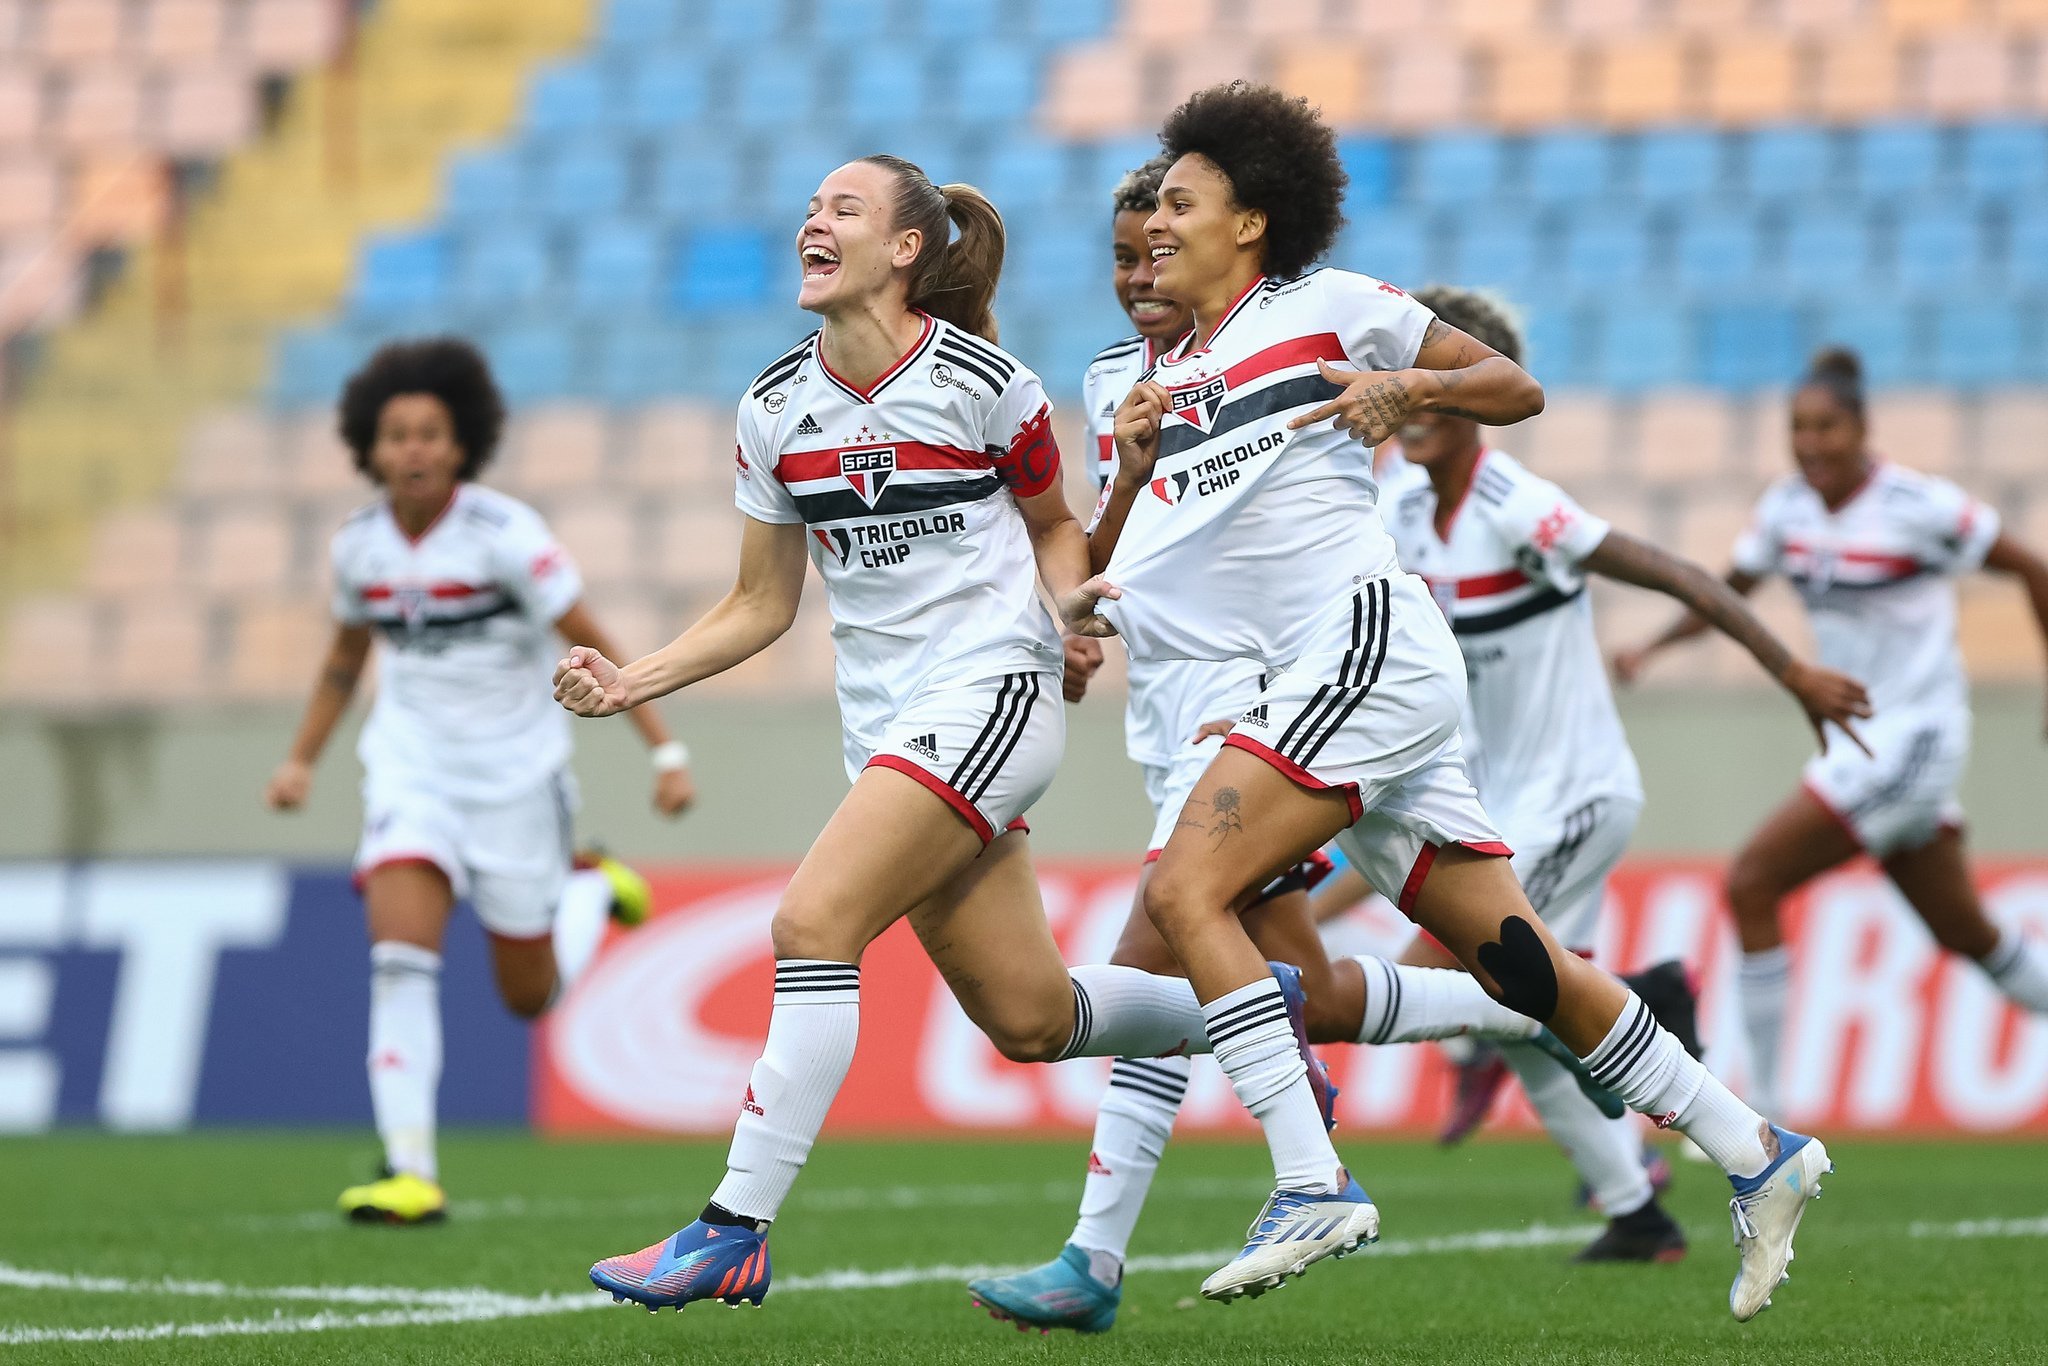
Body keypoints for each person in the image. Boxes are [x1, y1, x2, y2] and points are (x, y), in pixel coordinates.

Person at [1072, 82, 1853, 1320]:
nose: (1155, 224)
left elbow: (1510, 384)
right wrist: (1121, 469)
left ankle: (1309, 1179)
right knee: (1518, 966)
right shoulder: (1146, 377)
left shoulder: (1328, 307)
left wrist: (1412, 391)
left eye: (1180, 202)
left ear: (1252, 223)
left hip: (1357, 654)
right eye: (1152, 205)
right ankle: (1757, 1149)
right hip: (1333, 686)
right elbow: (1111, 563)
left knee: (1183, 890)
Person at [555, 155, 1297, 1315]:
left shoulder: (985, 384)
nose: (812, 222)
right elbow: (761, 603)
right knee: (1031, 1018)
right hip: (889, 730)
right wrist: (629, 680)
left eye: (840, 210)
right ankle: (1264, 1006)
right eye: (807, 210)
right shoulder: (770, 409)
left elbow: (1057, 528)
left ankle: (731, 1226)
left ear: (905, 249)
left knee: (810, 921)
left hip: (993, 696)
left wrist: (1064, 613)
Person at [968, 162, 1624, 1337]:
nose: (1139, 275)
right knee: (1264, 974)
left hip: (1267, 712)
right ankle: (1522, 1014)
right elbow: (1110, 552)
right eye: (1121, 259)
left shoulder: (1280, 338)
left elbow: (1290, 527)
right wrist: (1118, 482)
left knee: (1170, 933)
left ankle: (1130, 1242)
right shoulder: (1118, 380)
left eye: (1155, 248)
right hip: (1172, 724)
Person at [1371, 284, 1876, 1260]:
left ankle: (1644, 995)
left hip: (1572, 797)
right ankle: (1633, 1210)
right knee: (1521, 1006)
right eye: (1409, 384)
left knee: (1460, 978)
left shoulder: (1518, 507)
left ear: (1480, 402)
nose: (1422, 404)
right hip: (1494, 805)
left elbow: (1673, 572)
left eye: (1444, 386)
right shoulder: (1391, 508)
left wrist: (1789, 669)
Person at [264, 338, 697, 1224]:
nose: (413, 450)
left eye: (431, 433)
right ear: (370, 450)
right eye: (396, 436)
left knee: (526, 997)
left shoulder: (508, 537)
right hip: (410, 772)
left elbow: (592, 638)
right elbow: (347, 659)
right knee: (398, 963)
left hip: (516, 781)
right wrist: (302, 757)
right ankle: (411, 1169)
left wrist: (664, 750)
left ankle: (587, 891)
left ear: (461, 445)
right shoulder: (358, 549)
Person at [1617, 345, 2048, 1115]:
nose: (1811, 442)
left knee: (1751, 881)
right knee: (1968, 934)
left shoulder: (1919, 507)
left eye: (1826, 427)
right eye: (1798, 428)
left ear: (1861, 429)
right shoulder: (1787, 509)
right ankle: (1772, 1116)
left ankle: (1768, 1118)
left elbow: (2033, 569)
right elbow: (1728, 595)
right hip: (1859, 746)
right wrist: (1652, 647)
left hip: (1912, 739)